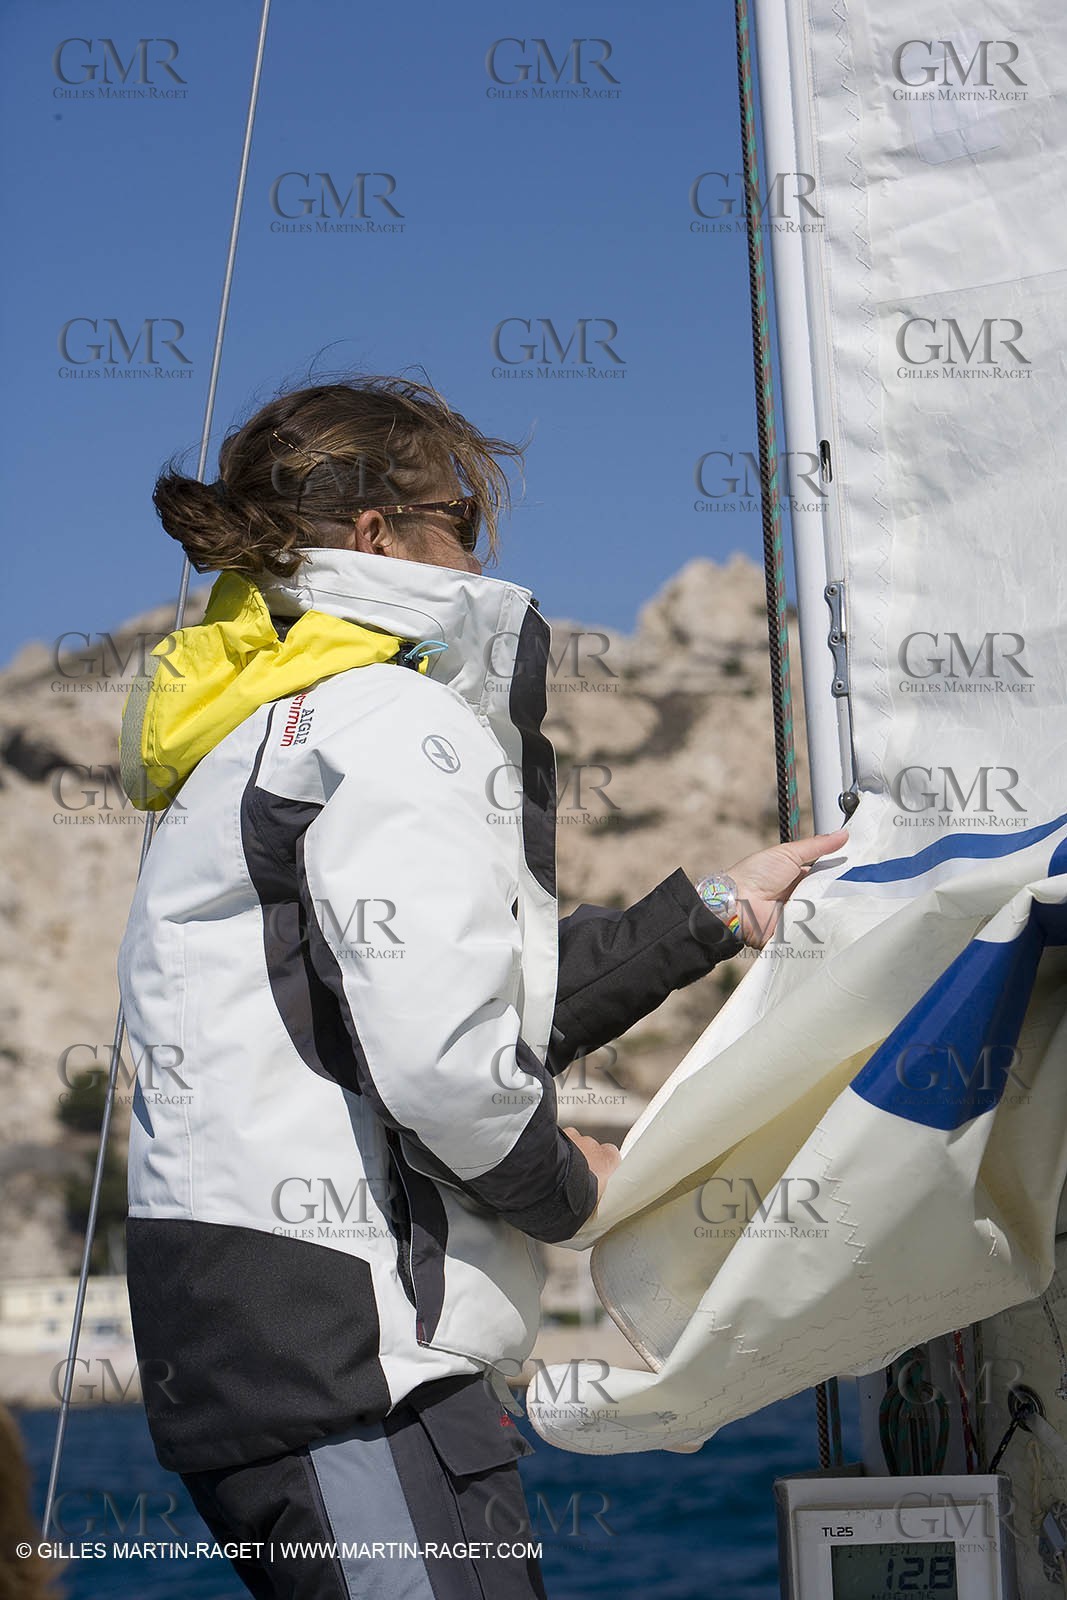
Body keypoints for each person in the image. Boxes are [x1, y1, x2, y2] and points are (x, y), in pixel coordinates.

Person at [117, 374, 847, 1600]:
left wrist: (713, 911)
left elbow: (435, 1002)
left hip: (281, 1344)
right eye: (463, 513)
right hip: (356, 1360)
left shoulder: (258, 731)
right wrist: (576, 1192)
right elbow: (442, 1062)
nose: (483, 545)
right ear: (377, 536)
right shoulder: (390, 721)